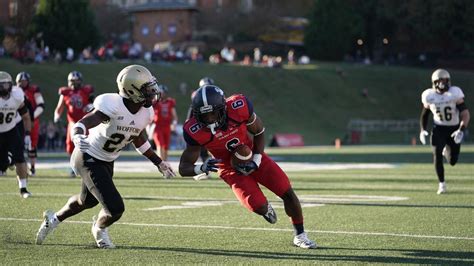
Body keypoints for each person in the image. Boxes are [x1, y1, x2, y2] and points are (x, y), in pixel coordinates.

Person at [35, 65, 176, 249]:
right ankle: (99, 228)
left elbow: (137, 136)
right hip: (87, 156)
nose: (153, 93)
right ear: (131, 90)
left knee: (86, 201)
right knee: (115, 208)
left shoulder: (146, 112)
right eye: (147, 89)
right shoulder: (112, 104)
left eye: (152, 87)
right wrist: (77, 134)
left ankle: (53, 219)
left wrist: (158, 162)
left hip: (107, 160)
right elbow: (86, 121)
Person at [179, 85, 317, 249]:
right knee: (258, 206)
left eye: (213, 113)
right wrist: (201, 168)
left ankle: (300, 235)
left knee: (286, 191)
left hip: (252, 154)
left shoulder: (238, 107)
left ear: (222, 108)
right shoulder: (194, 130)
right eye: (204, 114)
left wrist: (256, 160)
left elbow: (259, 131)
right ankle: (265, 209)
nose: (209, 118)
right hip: (228, 168)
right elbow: (183, 167)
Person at [419, 69, 470, 194]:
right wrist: (422, 129)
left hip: (454, 128)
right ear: (434, 83)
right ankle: (442, 184)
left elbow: (465, 113)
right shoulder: (429, 95)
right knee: (436, 155)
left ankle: (446, 150)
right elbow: (425, 114)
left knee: (453, 161)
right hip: (439, 128)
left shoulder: (454, 93)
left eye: (445, 81)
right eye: (440, 81)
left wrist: (461, 130)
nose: (443, 84)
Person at [53, 71, 94, 177]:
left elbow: (93, 104)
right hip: (72, 123)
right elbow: (59, 107)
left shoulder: (86, 91)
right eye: (72, 81)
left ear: (81, 81)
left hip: (85, 122)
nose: (74, 83)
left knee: (88, 144)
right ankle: (74, 167)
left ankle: (89, 166)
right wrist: (57, 116)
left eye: (77, 81)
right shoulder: (65, 93)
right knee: (70, 145)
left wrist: (90, 107)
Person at [0, 71, 32, 198]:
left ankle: (23, 189)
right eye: (0, 85)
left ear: (11, 85)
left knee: (20, 159)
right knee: (2, 166)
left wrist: (28, 134)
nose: (3, 88)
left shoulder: (17, 96)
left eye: (5, 85)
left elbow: (26, 116)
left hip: (11, 130)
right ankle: (7, 160)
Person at [16, 72, 45, 176]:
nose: (23, 83)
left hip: (32, 120)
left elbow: (41, 106)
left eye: (24, 81)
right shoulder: (14, 91)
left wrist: (31, 117)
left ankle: (32, 168)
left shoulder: (34, 90)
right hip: (17, 120)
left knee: (32, 144)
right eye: (21, 81)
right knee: (15, 143)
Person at [184, 77, 213, 180]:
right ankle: (206, 170)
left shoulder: (216, 96)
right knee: (201, 150)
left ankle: (207, 170)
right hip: (202, 127)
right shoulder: (199, 97)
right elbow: (192, 110)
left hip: (212, 127)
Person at [152, 84, 178, 160]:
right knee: (160, 145)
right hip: (158, 127)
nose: (162, 94)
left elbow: (174, 116)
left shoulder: (170, 102)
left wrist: (174, 123)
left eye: (163, 93)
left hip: (167, 127)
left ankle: (165, 163)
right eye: (161, 93)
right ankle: (161, 163)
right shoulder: (155, 102)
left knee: (166, 147)